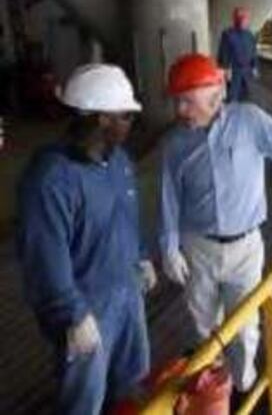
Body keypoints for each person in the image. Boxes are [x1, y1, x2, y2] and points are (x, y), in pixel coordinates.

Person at [158, 53, 272, 395]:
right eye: (177, 101)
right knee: (203, 327)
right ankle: (214, 388)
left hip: (245, 248)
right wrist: (169, 248)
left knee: (245, 327)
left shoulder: (249, 120)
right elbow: (169, 197)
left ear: (213, 95)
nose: (180, 110)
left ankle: (244, 386)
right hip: (198, 249)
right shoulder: (175, 144)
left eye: (186, 100)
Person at [16, 64, 155, 415]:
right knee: (83, 400)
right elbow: (44, 257)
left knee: (131, 383)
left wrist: (141, 256)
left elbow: (125, 217)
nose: (131, 123)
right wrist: (72, 315)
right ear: (100, 119)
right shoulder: (51, 179)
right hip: (86, 307)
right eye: (125, 116)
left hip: (127, 292)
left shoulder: (119, 161)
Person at [218, 7, 259, 102]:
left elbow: (253, 52)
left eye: (245, 18)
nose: (243, 20)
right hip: (233, 72)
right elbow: (223, 53)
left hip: (247, 72)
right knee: (232, 98)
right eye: (240, 17)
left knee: (247, 98)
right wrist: (225, 69)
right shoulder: (228, 34)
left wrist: (255, 66)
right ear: (235, 19)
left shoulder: (250, 35)